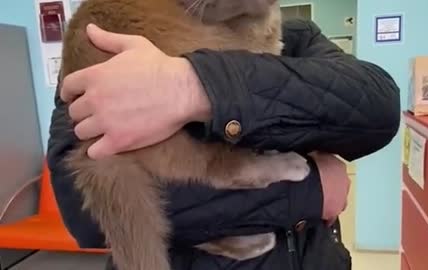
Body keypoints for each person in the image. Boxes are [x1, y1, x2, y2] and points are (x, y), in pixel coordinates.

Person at [47, 18, 400, 270]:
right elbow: (83, 211)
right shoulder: (111, 32)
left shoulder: (298, 37)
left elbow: (379, 108)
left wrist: (195, 86)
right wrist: (310, 192)